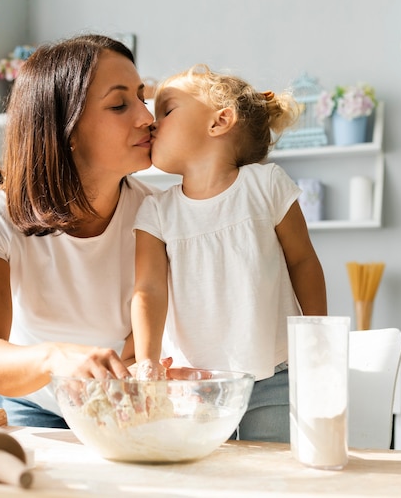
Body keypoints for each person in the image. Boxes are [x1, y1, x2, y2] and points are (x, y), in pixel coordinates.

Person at [0, 35, 156, 427]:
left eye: (141, 97)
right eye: (119, 104)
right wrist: (54, 357)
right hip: (30, 402)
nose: (147, 117)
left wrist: (131, 378)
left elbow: (148, 337)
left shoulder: (157, 212)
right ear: (66, 130)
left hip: (120, 398)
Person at [131, 64, 327, 442]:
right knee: (205, 476)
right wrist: (147, 362)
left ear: (220, 121)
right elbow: (148, 290)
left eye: (166, 111)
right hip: (192, 383)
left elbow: (303, 261)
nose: (153, 124)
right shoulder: (155, 211)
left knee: (268, 476)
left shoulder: (267, 184)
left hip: (275, 373)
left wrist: (317, 335)